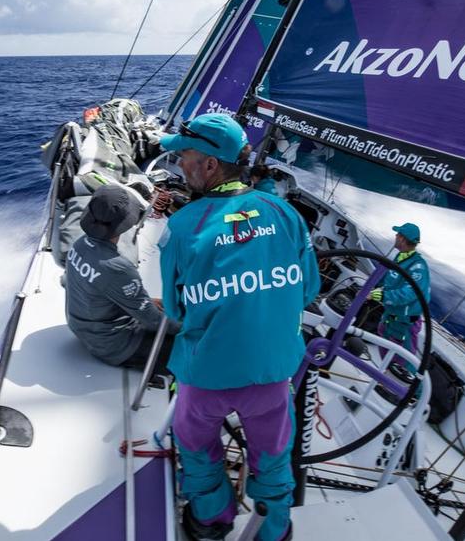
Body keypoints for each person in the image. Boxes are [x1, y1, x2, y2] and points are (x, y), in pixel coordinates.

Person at [158, 113, 320, 541]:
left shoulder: (180, 227)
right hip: (271, 375)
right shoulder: (285, 214)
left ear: (210, 165)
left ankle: (213, 521)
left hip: (207, 376)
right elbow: (308, 290)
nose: (178, 164)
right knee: (273, 458)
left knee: (196, 449)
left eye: (184, 156)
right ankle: (272, 529)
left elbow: (175, 307)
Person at [64, 184, 176, 372]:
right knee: (202, 351)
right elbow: (153, 320)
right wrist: (196, 326)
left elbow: (97, 286)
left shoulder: (79, 245)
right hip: (116, 346)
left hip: (83, 328)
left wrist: (144, 301)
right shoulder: (118, 268)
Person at [370, 222, 430, 375]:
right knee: (384, 344)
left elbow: (411, 293)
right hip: (390, 317)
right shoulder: (400, 257)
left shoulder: (418, 267)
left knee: (404, 362)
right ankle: (386, 378)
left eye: (398, 234)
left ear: (403, 239)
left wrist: (384, 296)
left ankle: (411, 394)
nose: (395, 236)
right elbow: (388, 277)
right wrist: (371, 288)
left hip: (405, 323)